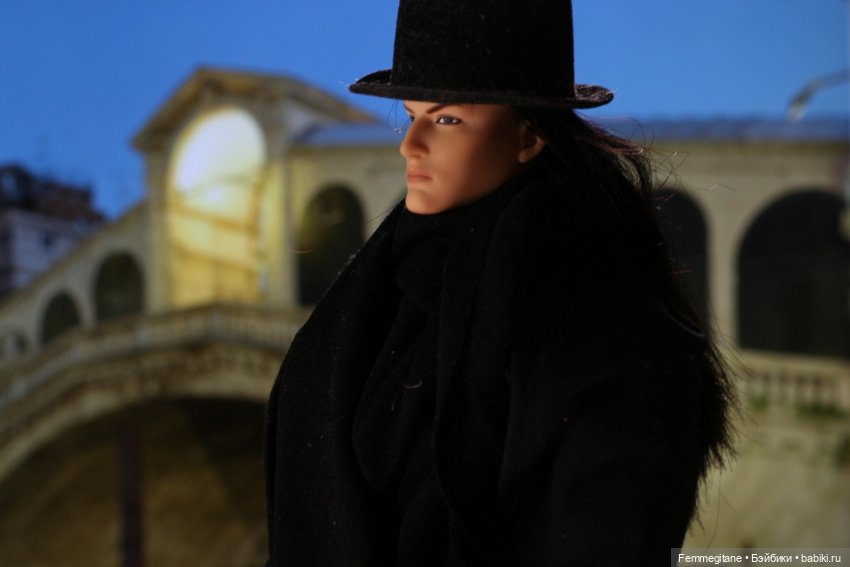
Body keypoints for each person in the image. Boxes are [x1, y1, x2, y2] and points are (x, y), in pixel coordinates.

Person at [263, 1, 736, 565]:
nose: (410, 145)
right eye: (411, 116)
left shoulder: (610, 326)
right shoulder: (380, 288)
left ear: (528, 136)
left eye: (447, 120)